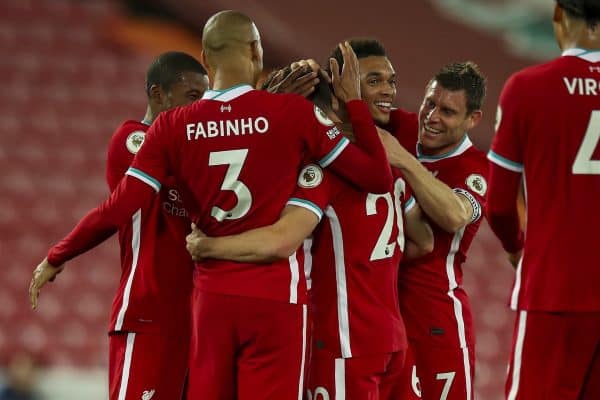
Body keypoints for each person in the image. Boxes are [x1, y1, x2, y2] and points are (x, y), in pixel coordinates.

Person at [29, 10, 393, 400]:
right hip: (275, 297)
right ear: (256, 49)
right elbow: (377, 177)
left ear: (204, 58)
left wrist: (58, 254)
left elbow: (118, 207)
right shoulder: (294, 114)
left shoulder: (173, 126)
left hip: (211, 298)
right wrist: (354, 103)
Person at [185, 71, 434, 399]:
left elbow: (280, 240)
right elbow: (425, 241)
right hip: (391, 337)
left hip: (344, 339)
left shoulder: (321, 172)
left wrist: (208, 245)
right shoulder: (391, 169)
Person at [487, 1, 600, 398]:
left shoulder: (528, 86)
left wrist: (518, 250)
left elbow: (499, 203)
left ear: (558, 15)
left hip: (555, 288)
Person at [377, 62, 489, 400]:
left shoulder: (476, 170)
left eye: (448, 111)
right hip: (383, 311)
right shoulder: (405, 127)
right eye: (429, 103)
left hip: (435, 322)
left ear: (473, 120)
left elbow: (454, 215)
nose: (432, 116)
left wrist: (405, 160)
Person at [104, 52, 208, 400]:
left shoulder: (193, 151)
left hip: (194, 320)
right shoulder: (132, 138)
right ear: (157, 94)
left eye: (205, 98)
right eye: (193, 96)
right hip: (147, 314)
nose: (200, 107)